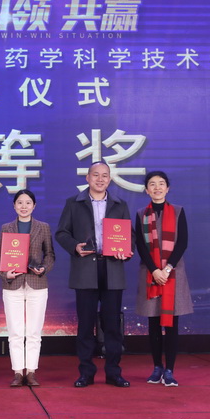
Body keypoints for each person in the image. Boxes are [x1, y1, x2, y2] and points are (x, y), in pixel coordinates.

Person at [55, 161, 135, 388]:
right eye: (96, 175)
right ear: (88, 177)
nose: (100, 179)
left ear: (110, 179)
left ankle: (114, 373)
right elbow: (61, 233)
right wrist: (75, 246)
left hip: (112, 269)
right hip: (85, 269)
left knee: (112, 325)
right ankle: (86, 373)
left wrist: (126, 251)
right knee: (85, 325)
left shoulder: (120, 204)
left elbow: (129, 235)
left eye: (105, 175)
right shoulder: (73, 203)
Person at [134, 171, 193, 387]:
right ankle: (157, 366)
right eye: (152, 184)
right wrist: (155, 270)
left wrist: (166, 269)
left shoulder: (178, 211)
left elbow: (182, 243)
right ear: (146, 190)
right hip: (150, 275)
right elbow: (141, 246)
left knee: (172, 323)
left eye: (161, 184)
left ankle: (170, 370)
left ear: (168, 188)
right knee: (152, 323)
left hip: (173, 274)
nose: (157, 188)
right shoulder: (141, 214)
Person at [0, 189, 55, 387]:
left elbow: (50, 254)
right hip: (12, 284)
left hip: (37, 283)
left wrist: (43, 268)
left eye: (28, 202)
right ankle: (17, 372)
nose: (24, 206)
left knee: (34, 331)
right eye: (19, 202)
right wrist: (6, 274)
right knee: (15, 331)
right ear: (14, 206)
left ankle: (31, 371)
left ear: (34, 206)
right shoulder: (6, 228)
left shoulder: (43, 227)